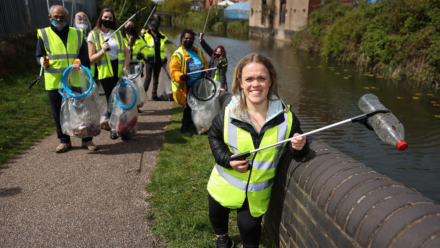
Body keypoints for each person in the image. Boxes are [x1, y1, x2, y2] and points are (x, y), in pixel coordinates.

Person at [207, 53, 309, 248]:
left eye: (262, 78)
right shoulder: (228, 113)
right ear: (240, 82)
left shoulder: (287, 118)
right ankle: (222, 238)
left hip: (256, 194)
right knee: (217, 215)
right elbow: (214, 138)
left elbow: (296, 148)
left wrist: (299, 146)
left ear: (271, 81)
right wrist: (227, 159)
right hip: (223, 185)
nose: (256, 84)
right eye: (249, 79)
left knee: (250, 232)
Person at [36, 5, 97, 153]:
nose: (59, 20)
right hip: (54, 82)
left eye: (62, 17)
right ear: (50, 17)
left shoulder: (77, 33)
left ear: (67, 18)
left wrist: (80, 61)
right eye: (56, 17)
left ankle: (86, 139)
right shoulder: (43, 34)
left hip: (75, 80)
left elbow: (84, 55)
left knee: (82, 111)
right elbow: (39, 56)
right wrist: (42, 61)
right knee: (58, 113)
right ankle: (64, 141)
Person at [88, 8, 131, 139]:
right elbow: (91, 58)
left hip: (118, 71)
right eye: (105, 17)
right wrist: (102, 51)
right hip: (105, 72)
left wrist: (125, 67)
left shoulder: (117, 33)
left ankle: (123, 128)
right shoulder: (93, 34)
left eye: (110, 18)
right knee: (111, 101)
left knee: (122, 100)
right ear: (100, 18)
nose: (107, 20)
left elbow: (127, 53)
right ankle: (114, 128)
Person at [170, 29, 209, 137]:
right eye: (186, 38)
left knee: (194, 105)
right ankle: (184, 127)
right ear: (182, 39)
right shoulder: (178, 54)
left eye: (190, 38)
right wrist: (181, 76)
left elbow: (205, 63)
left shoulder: (197, 51)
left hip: (198, 84)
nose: (188, 40)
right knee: (187, 106)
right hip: (186, 85)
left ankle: (191, 123)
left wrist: (205, 72)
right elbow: (174, 71)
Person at [142, 20, 168, 101]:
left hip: (158, 61)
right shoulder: (146, 35)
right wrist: (142, 35)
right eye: (153, 26)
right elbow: (141, 43)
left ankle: (154, 95)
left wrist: (165, 59)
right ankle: (142, 95)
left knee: (156, 79)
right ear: (150, 27)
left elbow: (162, 50)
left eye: (156, 26)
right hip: (149, 60)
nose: (154, 28)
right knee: (148, 78)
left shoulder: (161, 36)